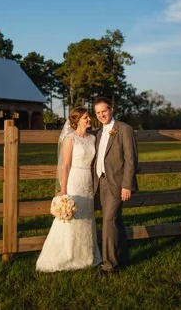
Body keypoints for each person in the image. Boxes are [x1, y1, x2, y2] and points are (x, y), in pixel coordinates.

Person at [36, 107, 101, 272]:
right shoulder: (70, 139)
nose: (88, 120)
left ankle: (86, 256)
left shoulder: (92, 138)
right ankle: (66, 255)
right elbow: (65, 165)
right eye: (85, 117)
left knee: (86, 216)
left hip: (88, 181)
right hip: (74, 180)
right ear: (76, 120)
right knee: (72, 217)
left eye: (88, 117)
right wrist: (63, 188)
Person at [93, 96, 139, 273]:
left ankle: (108, 265)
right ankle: (123, 258)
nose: (101, 115)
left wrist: (126, 185)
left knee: (108, 222)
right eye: (98, 112)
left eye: (104, 111)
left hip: (118, 183)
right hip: (102, 183)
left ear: (111, 109)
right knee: (116, 221)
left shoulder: (124, 129)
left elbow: (130, 159)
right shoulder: (99, 133)